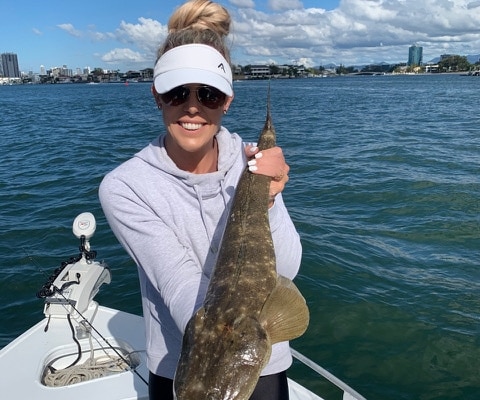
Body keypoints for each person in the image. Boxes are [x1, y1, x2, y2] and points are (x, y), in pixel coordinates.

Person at [99, 1, 302, 399]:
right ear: (157, 96)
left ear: (227, 99)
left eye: (208, 93)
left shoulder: (252, 167)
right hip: (182, 370)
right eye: (178, 92)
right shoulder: (126, 186)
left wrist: (270, 197)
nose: (192, 106)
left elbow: (287, 271)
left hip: (262, 359)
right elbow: (181, 288)